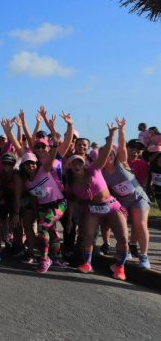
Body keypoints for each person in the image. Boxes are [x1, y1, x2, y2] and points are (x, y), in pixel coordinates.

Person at [67, 123, 130, 281]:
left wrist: (112, 135)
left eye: (80, 162)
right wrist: (69, 219)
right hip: (92, 209)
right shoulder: (71, 184)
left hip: (111, 206)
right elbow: (73, 202)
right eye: (73, 163)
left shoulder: (94, 169)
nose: (77, 165)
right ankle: (87, 263)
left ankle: (119, 267)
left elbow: (105, 153)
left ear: (84, 163)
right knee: (87, 236)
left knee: (123, 238)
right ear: (69, 166)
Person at [17, 113, 73, 273]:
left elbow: (58, 149)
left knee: (43, 226)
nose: (31, 166)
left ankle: (44, 258)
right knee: (52, 232)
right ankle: (57, 259)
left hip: (59, 202)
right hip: (43, 206)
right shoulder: (27, 179)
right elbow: (34, 198)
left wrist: (66, 129)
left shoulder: (45, 168)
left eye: (43, 146)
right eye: (37, 146)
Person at [102, 118, 152, 269]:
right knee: (120, 227)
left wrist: (121, 130)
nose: (109, 157)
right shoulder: (102, 172)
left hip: (138, 197)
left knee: (140, 223)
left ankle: (143, 256)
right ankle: (124, 251)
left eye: (111, 154)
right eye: (106, 154)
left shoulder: (122, 163)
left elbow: (123, 146)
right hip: (122, 201)